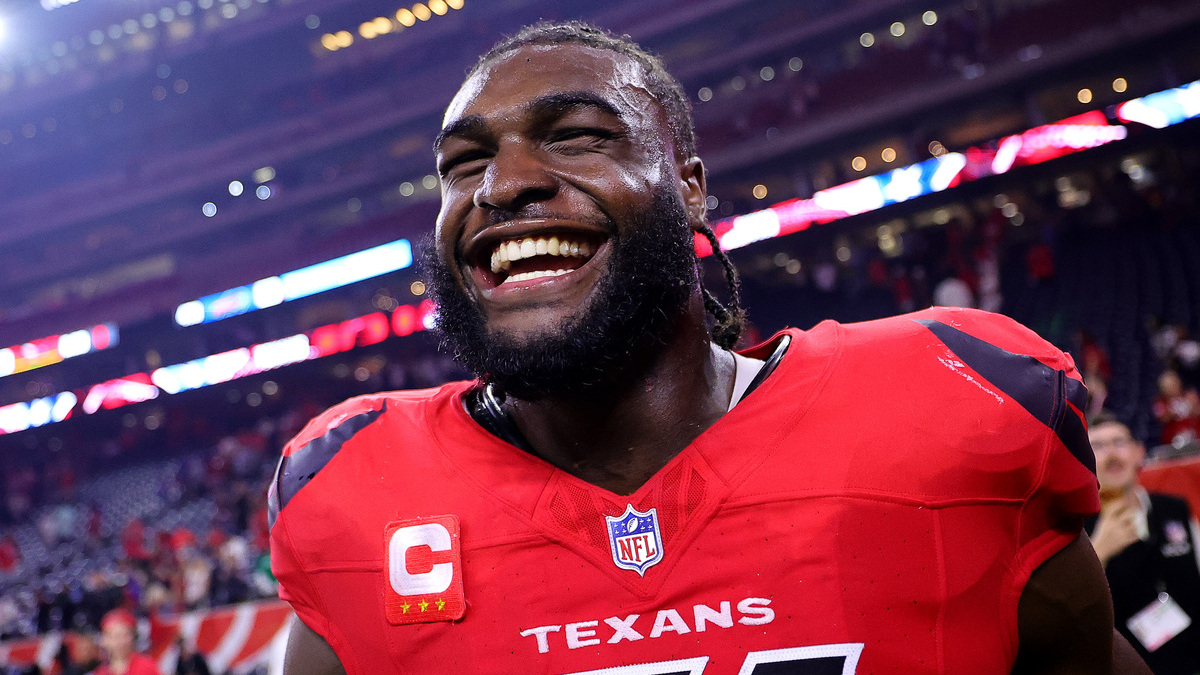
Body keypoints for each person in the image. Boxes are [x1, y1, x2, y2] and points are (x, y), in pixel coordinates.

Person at [268, 21, 1150, 674]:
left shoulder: (951, 404)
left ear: (690, 188)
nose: (504, 185)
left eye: (577, 136)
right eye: (464, 164)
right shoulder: (352, 496)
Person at [1086, 411, 1200, 674]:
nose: (1112, 453)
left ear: (1139, 451)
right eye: (1098, 446)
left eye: (1120, 442)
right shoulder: (1076, 527)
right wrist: (1099, 550)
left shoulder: (1175, 509)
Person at [94, 608, 163, 675]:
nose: (119, 642)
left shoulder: (147, 666)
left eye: (124, 635)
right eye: (114, 636)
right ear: (104, 640)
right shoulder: (101, 672)